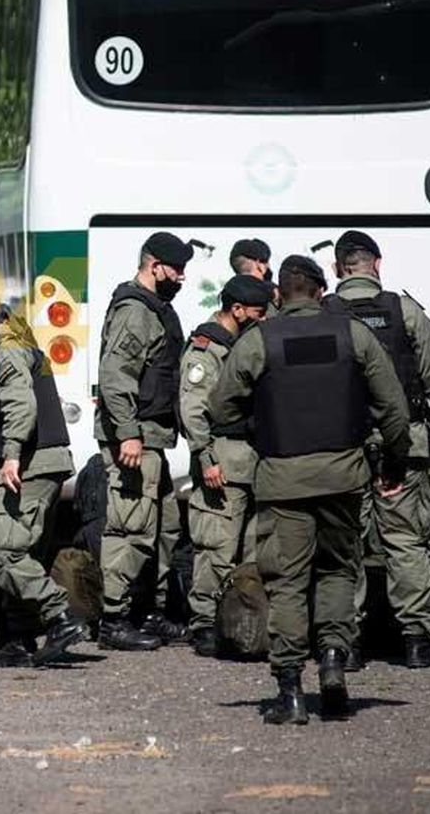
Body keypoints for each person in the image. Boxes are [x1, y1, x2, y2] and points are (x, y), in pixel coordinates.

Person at [209, 256, 410, 725]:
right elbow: (394, 408)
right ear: (322, 290)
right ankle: (335, 661)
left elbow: (220, 407)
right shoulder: (353, 334)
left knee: (288, 582)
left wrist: (259, 421)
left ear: (278, 295)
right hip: (344, 475)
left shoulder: (260, 340)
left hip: (283, 479)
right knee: (340, 571)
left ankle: (291, 690)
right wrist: (394, 463)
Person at [327, 230, 430, 669]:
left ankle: (346, 645)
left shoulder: (325, 314)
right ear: (376, 265)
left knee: (346, 544)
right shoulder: (406, 312)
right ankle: (417, 639)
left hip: (343, 448)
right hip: (406, 445)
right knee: (406, 540)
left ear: (337, 268)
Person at [0, 299, 88, 668]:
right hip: (37, 463)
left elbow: (21, 406)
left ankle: (61, 618)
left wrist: (10, 455)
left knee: (4, 553)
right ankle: (20, 639)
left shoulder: (5, 354)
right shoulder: (14, 347)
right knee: (24, 552)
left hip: (30, 464)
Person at [93, 231, 194, 651]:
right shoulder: (135, 311)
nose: (182, 278)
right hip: (135, 439)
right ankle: (114, 620)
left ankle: (146, 611)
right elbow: (115, 377)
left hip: (154, 437)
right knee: (130, 528)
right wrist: (128, 434)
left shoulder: (155, 309)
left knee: (164, 528)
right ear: (155, 267)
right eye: (177, 270)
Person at [178, 273, 272, 657]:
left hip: (250, 462)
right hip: (222, 460)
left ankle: (240, 621)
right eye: (258, 312)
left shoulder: (241, 344)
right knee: (216, 546)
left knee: (251, 548)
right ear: (236, 310)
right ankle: (203, 623)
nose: (264, 319)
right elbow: (193, 409)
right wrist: (206, 457)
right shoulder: (206, 349)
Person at [230, 237, 279, 312]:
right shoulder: (272, 294)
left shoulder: (228, 295)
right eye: (265, 261)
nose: (268, 266)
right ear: (258, 263)